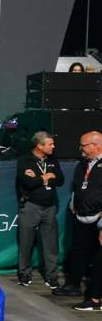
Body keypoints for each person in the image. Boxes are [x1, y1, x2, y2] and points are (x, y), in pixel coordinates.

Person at [53, 132, 102, 311]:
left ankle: (95, 296)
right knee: (78, 251)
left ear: (95, 145)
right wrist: (74, 204)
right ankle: (73, 285)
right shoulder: (82, 164)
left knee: (99, 259)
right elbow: (76, 186)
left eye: (83, 146)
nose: (80, 149)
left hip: (99, 218)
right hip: (81, 215)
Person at [15, 131, 64, 288]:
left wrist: (37, 177)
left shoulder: (52, 160)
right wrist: (46, 176)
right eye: (50, 144)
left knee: (51, 245)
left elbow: (61, 180)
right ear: (39, 145)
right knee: (26, 242)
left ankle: (52, 276)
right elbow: (27, 183)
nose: (53, 146)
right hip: (30, 206)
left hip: (50, 207)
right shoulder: (24, 160)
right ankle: (24, 273)